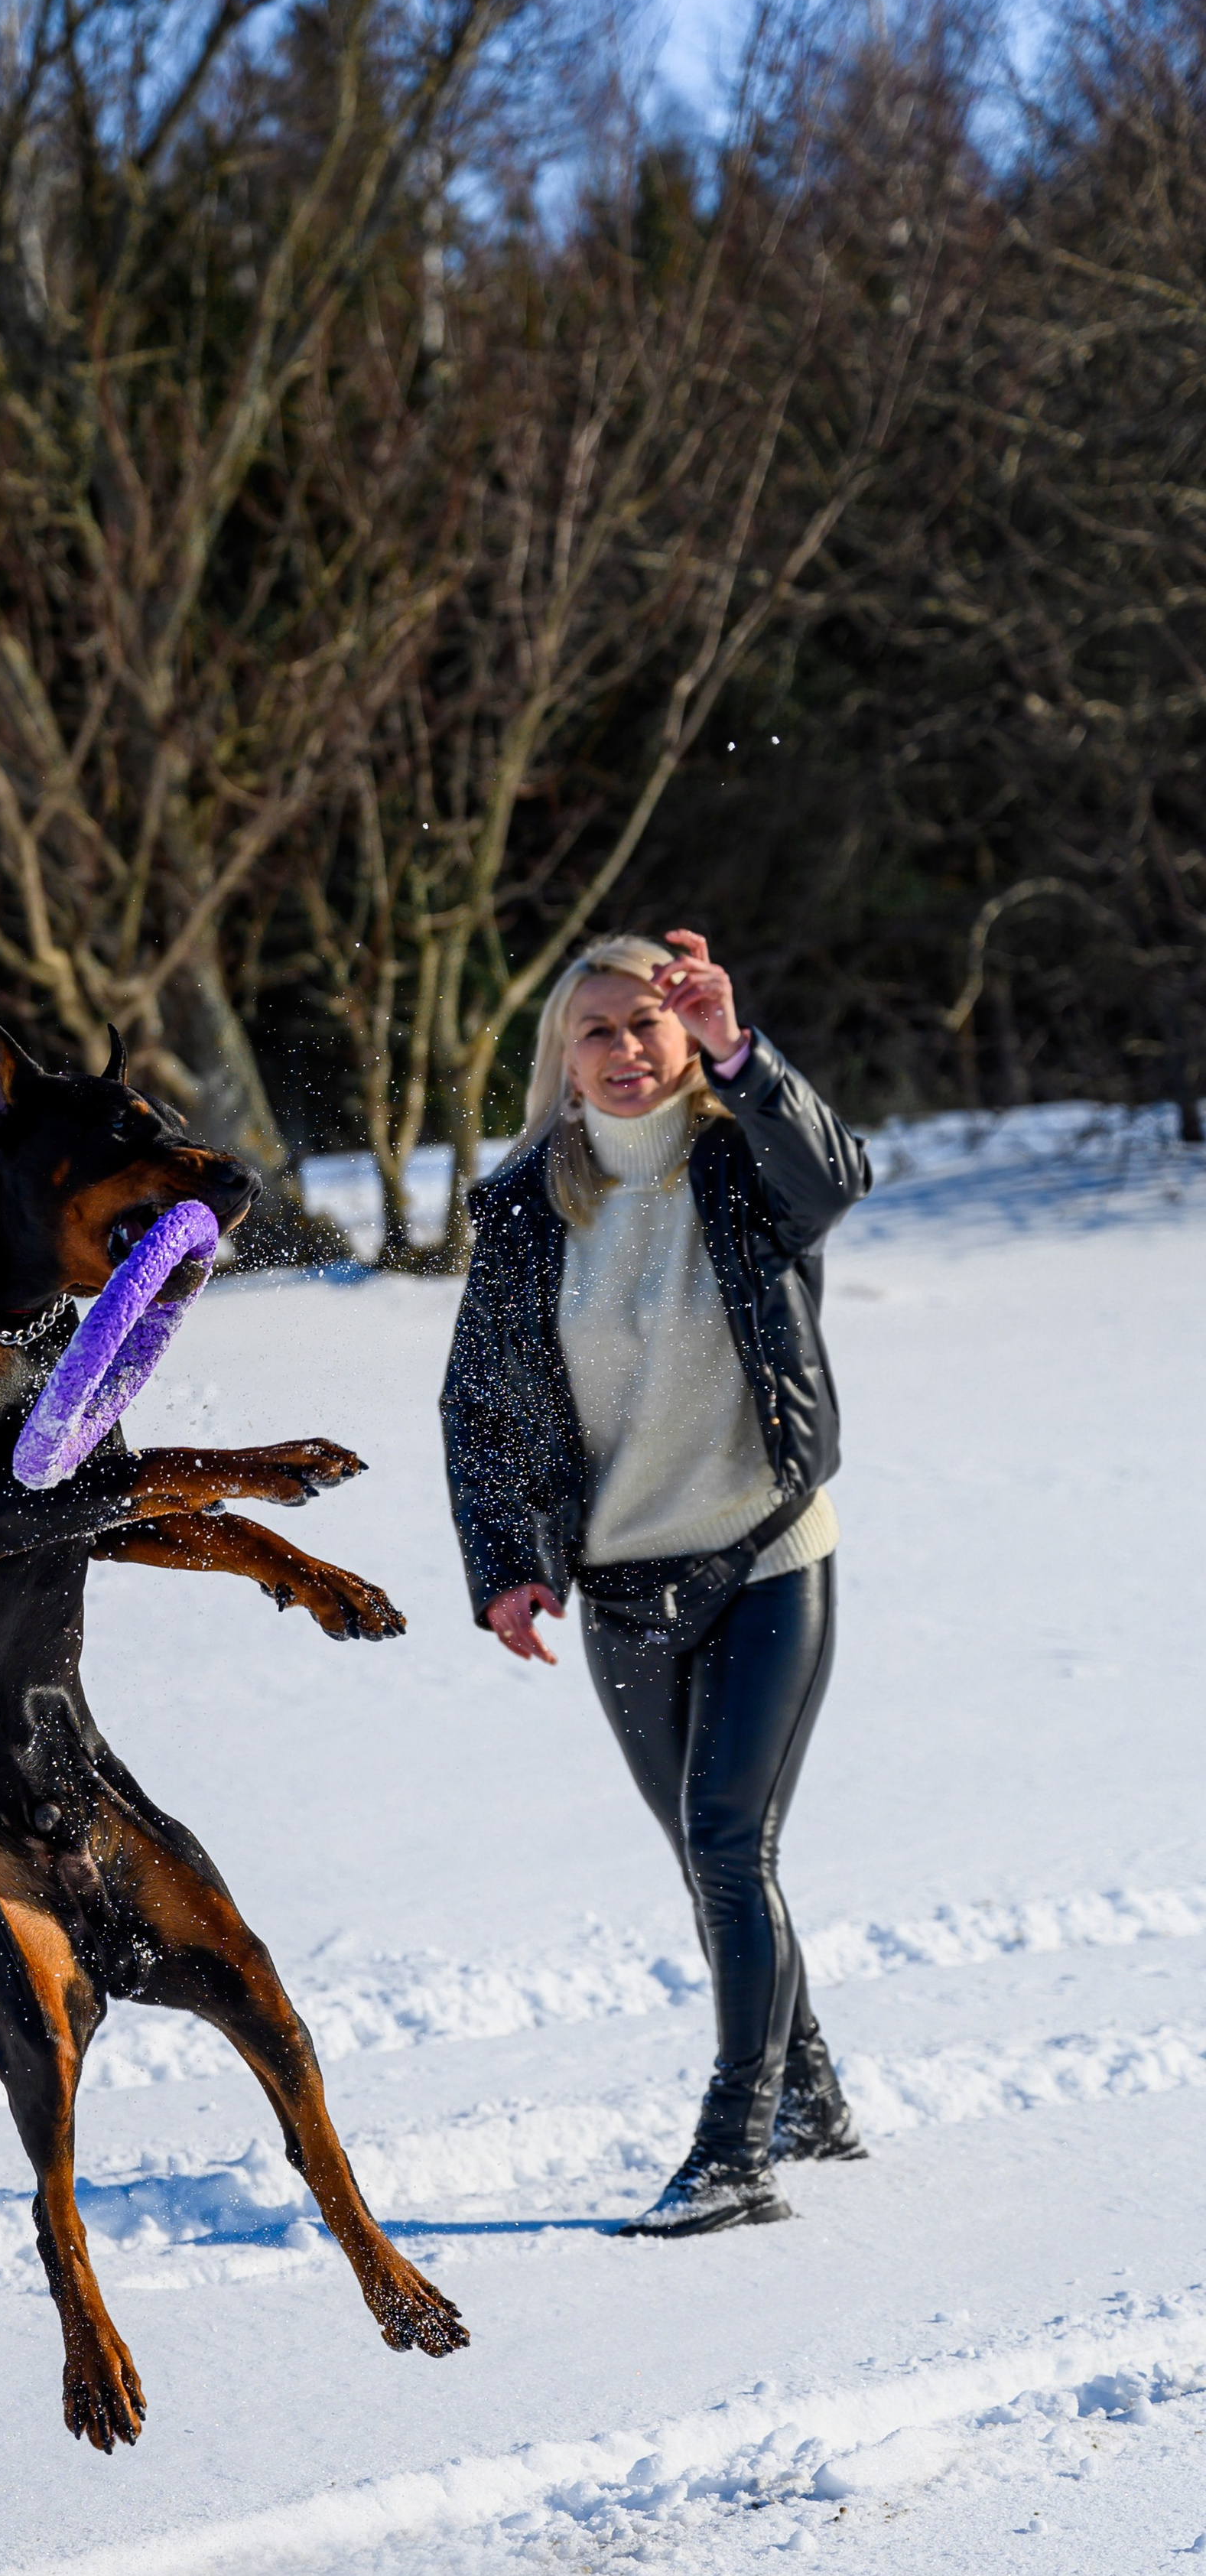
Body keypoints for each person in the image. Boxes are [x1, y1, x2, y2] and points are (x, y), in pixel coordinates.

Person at [440, 929, 871, 2238]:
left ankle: (737, 2149)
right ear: (564, 1065)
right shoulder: (525, 1211)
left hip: (765, 1555)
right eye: (599, 1032)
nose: (627, 1052)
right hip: (626, 1580)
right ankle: (809, 2095)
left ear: (687, 1037)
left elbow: (837, 1175)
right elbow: (485, 1406)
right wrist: (506, 1564)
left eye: (650, 1025)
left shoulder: (747, 1160)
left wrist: (746, 1053)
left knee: (732, 1850)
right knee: (706, 1860)